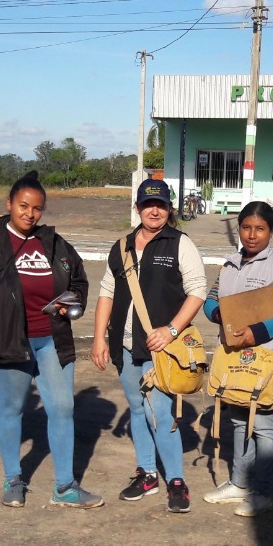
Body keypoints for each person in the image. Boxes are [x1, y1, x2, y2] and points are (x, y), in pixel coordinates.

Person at [0, 172, 100, 509]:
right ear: (9, 204)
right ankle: (13, 479)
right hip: (8, 342)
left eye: (37, 208)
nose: (30, 214)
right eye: (23, 206)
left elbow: (79, 280)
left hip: (51, 339)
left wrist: (68, 305)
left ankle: (64, 486)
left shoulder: (54, 243)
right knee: (12, 408)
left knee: (63, 408)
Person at [91, 178, 207, 513]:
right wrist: (99, 337)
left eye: (160, 205)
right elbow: (107, 293)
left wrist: (171, 330)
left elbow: (197, 289)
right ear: (138, 207)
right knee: (137, 408)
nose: (153, 210)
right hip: (125, 345)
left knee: (159, 412)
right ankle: (147, 473)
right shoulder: (123, 245)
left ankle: (176, 480)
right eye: (147, 204)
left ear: (169, 209)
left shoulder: (179, 243)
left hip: (162, 348)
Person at [201, 201, 273, 516]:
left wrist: (259, 331)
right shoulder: (230, 263)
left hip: (266, 359)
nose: (251, 235)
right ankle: (239, 483)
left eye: (259, 229)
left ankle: (262, 491)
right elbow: (210, 300)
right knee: (237, 419)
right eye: (246, 227)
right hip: (235, 358)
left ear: (270, 231)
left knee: (263, 425)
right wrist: (221, 313)